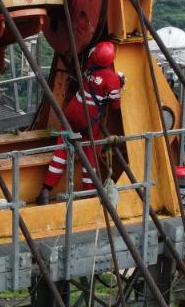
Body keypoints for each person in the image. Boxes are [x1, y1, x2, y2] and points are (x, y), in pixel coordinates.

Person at [39, 40, 124, 204]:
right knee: (90, 155)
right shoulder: (112, 79)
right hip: (89, 120)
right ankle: (89, 194)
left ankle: (46, 189)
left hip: (72, 112)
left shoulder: (91, 60)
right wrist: (119, 83)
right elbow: (115, 105)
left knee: (61, 151)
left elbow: (91, 51)